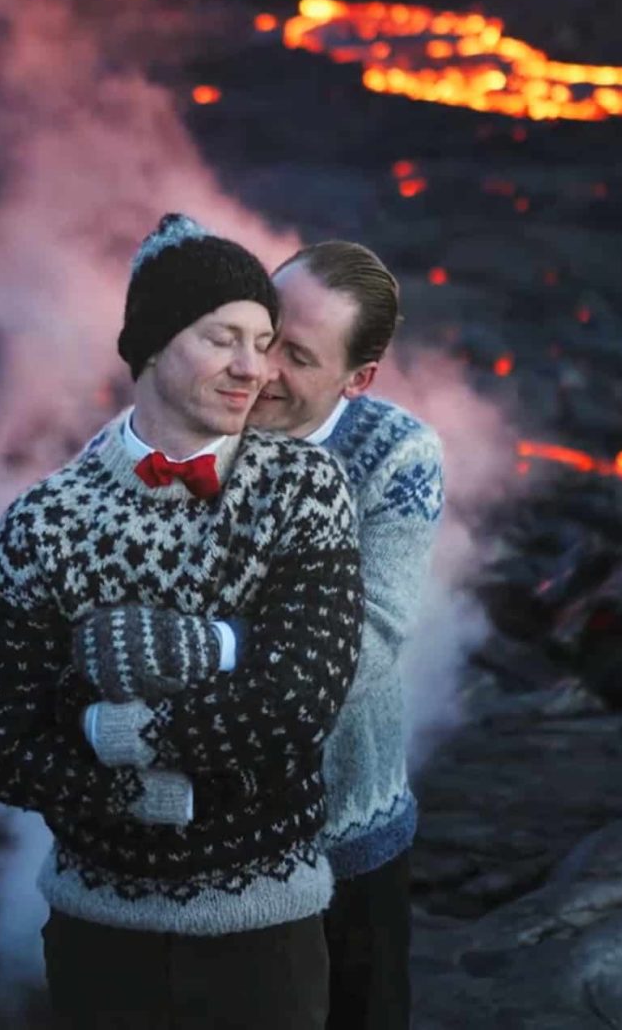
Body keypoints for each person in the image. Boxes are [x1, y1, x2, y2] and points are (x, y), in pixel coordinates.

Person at [0, 213, 364, 1029]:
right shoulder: (45, 521)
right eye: (224, 338)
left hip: (267, 940)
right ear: (152, 345)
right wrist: (128, 789)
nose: (252, 368)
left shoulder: (305, 489)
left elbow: (298, 700)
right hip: (98, 940)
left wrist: (118, 729)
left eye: (265, 341)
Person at [248, 240, 444, 1030]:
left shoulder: (396, 455)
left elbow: (368, 641)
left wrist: (202, 668)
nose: (259, 368)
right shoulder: (196, 410)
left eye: (295, 355)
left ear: (357, 379)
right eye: (263, 334)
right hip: (188, 843)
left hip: (342, 833)